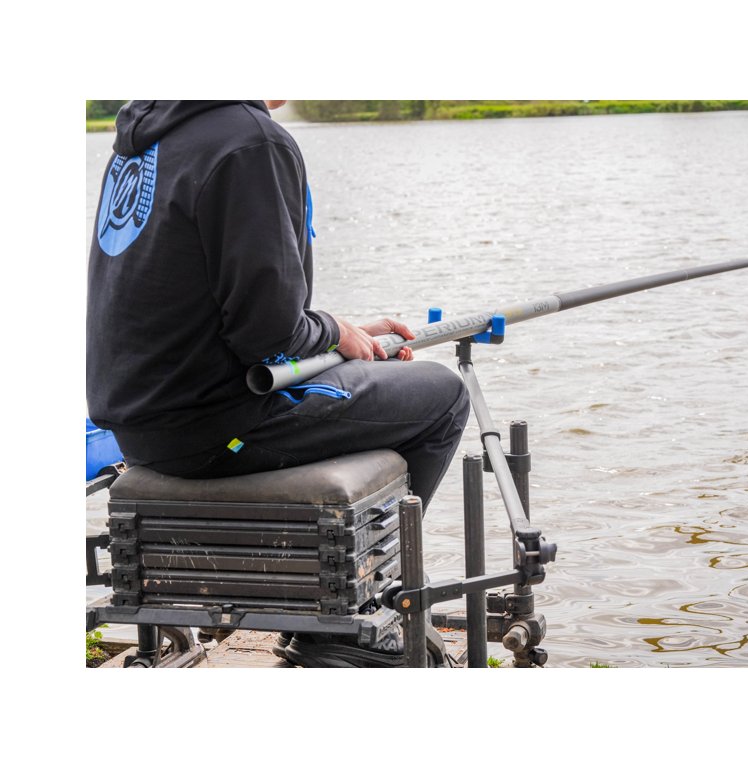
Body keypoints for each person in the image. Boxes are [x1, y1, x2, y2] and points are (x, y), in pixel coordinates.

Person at [87, 100, 469, 511]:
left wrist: (337, 335)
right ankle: (386, 552)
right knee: (444, 394)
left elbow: (206, 307)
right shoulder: (252, 141)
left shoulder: (147, 141)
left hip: (140, 433)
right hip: (218, 432)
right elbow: (269, 337)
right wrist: (332, 332)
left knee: (378, 373)